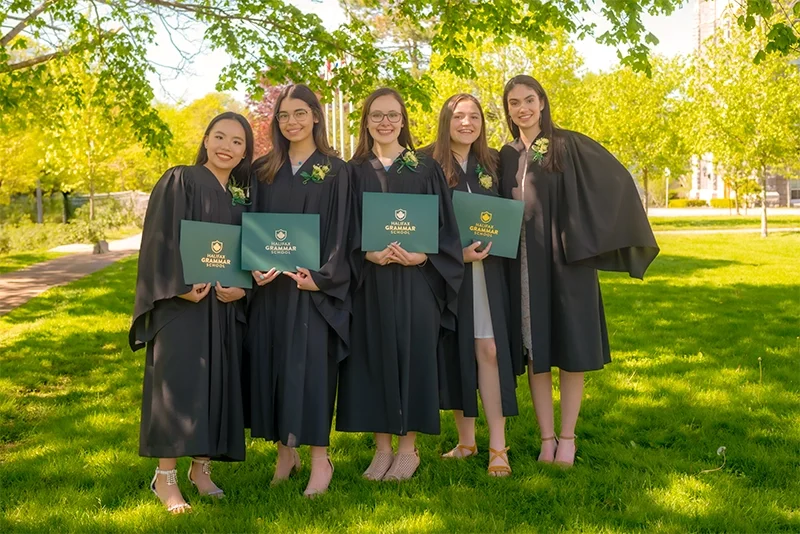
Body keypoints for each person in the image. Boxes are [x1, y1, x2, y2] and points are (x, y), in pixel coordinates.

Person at [499, 75, 659, 467]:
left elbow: (615, 182)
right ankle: (547, 439)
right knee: (536, 350)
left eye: (530, 100)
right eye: (514, 103)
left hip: (567, 262)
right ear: (507, 110)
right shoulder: (505, 154)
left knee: (571, 349)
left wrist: (585, 236)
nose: (523, 108)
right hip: (521, 264)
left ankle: (568, 439)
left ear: (542, 102)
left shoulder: (566, 145)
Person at [336, 87, 463, 481]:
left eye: (392, 115)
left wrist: (422, 255)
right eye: (377, 115)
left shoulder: (425, 169)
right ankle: (382, 450)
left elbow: (445, 229)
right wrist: (365, 252)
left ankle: (408, 450)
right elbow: (341, 230)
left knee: (412, 358)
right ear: (366, 122)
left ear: (403, 120)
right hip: (370, 283)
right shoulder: (352, 172)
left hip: (416, 282)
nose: (385, 122)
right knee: (373, 358)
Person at [130, 112, 254, 512]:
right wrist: (181, 289)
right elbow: (158, 240)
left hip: (222, 307)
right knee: (179, 385)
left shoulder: (239, 195)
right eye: (220, 137)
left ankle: (201, 469)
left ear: (245, 151)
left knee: (217, 385)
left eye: (237, 142)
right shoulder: (179, 179)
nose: (227, 147)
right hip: (183, 305)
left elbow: (243, 255)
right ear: (205, 139)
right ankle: (164, 478)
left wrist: (242, 289)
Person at [245, 84, 350, 498]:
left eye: (299, 113)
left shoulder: (335, 170)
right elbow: (249, 225)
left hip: (312, 289)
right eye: (284, 115)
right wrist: (253, 266)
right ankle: (285, 453)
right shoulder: (263, 169)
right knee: (275, 364)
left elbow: (343, 230)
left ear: (316, 116)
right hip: (272, 288)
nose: (292, 122)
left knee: (313, 370)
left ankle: (321, 459)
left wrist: (323, 276)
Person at [428, 94, 522, 477]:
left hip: (489, 275)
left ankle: (498, 446)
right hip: (448, 273)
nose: (466, 122)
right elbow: (420, 223)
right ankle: (466, 441)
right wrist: (455, 254)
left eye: (474, 116)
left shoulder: (494, 164)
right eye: (458, 116)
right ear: (445, 121)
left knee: (490, 350)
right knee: (455, 348)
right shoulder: (426, 164)